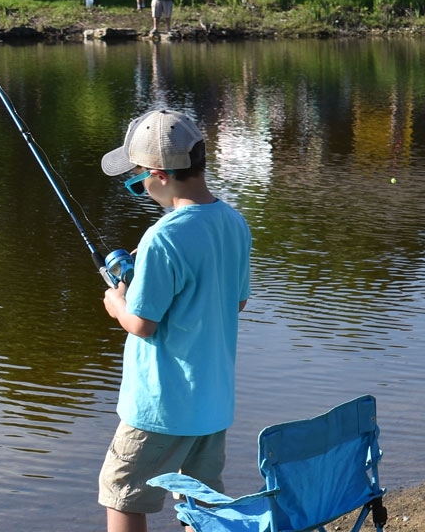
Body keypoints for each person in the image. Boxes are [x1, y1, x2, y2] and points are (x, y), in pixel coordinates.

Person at [95, 108, 252, 532]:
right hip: (212, 402)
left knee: (123, 492)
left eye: (136, 178)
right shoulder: (233, 223)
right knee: (199, 500)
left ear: (159, 174)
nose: (139, 187)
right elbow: (232, 303)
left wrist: (116, 301)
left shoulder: (164, 236)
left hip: (160, 405)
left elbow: (143, 323)